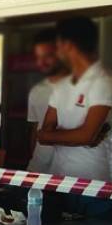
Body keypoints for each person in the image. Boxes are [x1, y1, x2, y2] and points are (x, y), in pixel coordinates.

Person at [37, 17, 112, 219]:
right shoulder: (62, 86)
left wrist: (81, 136)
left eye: (58, 44)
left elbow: (85, 135)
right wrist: (81, 136)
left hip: (94, 187)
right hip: (60, 184)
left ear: (67, 45)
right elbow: (42, 134)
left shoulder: (104, 80)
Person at [26, 29, 70, 173]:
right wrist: (34, 160)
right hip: (39, 167)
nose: (42, 62)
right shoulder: (37, 91)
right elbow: (35, 130)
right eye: (38, 57)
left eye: (48, 56)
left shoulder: (82, 88)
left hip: (70, 170)